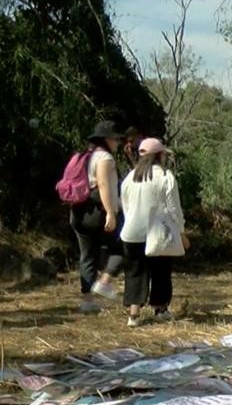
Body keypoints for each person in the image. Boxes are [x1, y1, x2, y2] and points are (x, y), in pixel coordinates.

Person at [119, 137, 186, 327]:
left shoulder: (130, 177)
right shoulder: (165, 176)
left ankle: (134, 315)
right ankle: (160, 309)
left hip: (131, 233)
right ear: (160, 155)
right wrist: (181, 231)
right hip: (158, 234)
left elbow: (124, 204)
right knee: (161, 271)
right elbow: (174, 209)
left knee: (134, 272)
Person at [71, 121, 126, 312]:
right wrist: (110, 212)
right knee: (123, 248)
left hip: (79, 211)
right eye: (115, 138)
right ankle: (105, 281)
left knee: (87, 255)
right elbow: (103, 184)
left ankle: (87, 301)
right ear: (107, 139)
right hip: (98, 211)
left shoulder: (86, 156)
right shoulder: (105, 158)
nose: (118, 142)